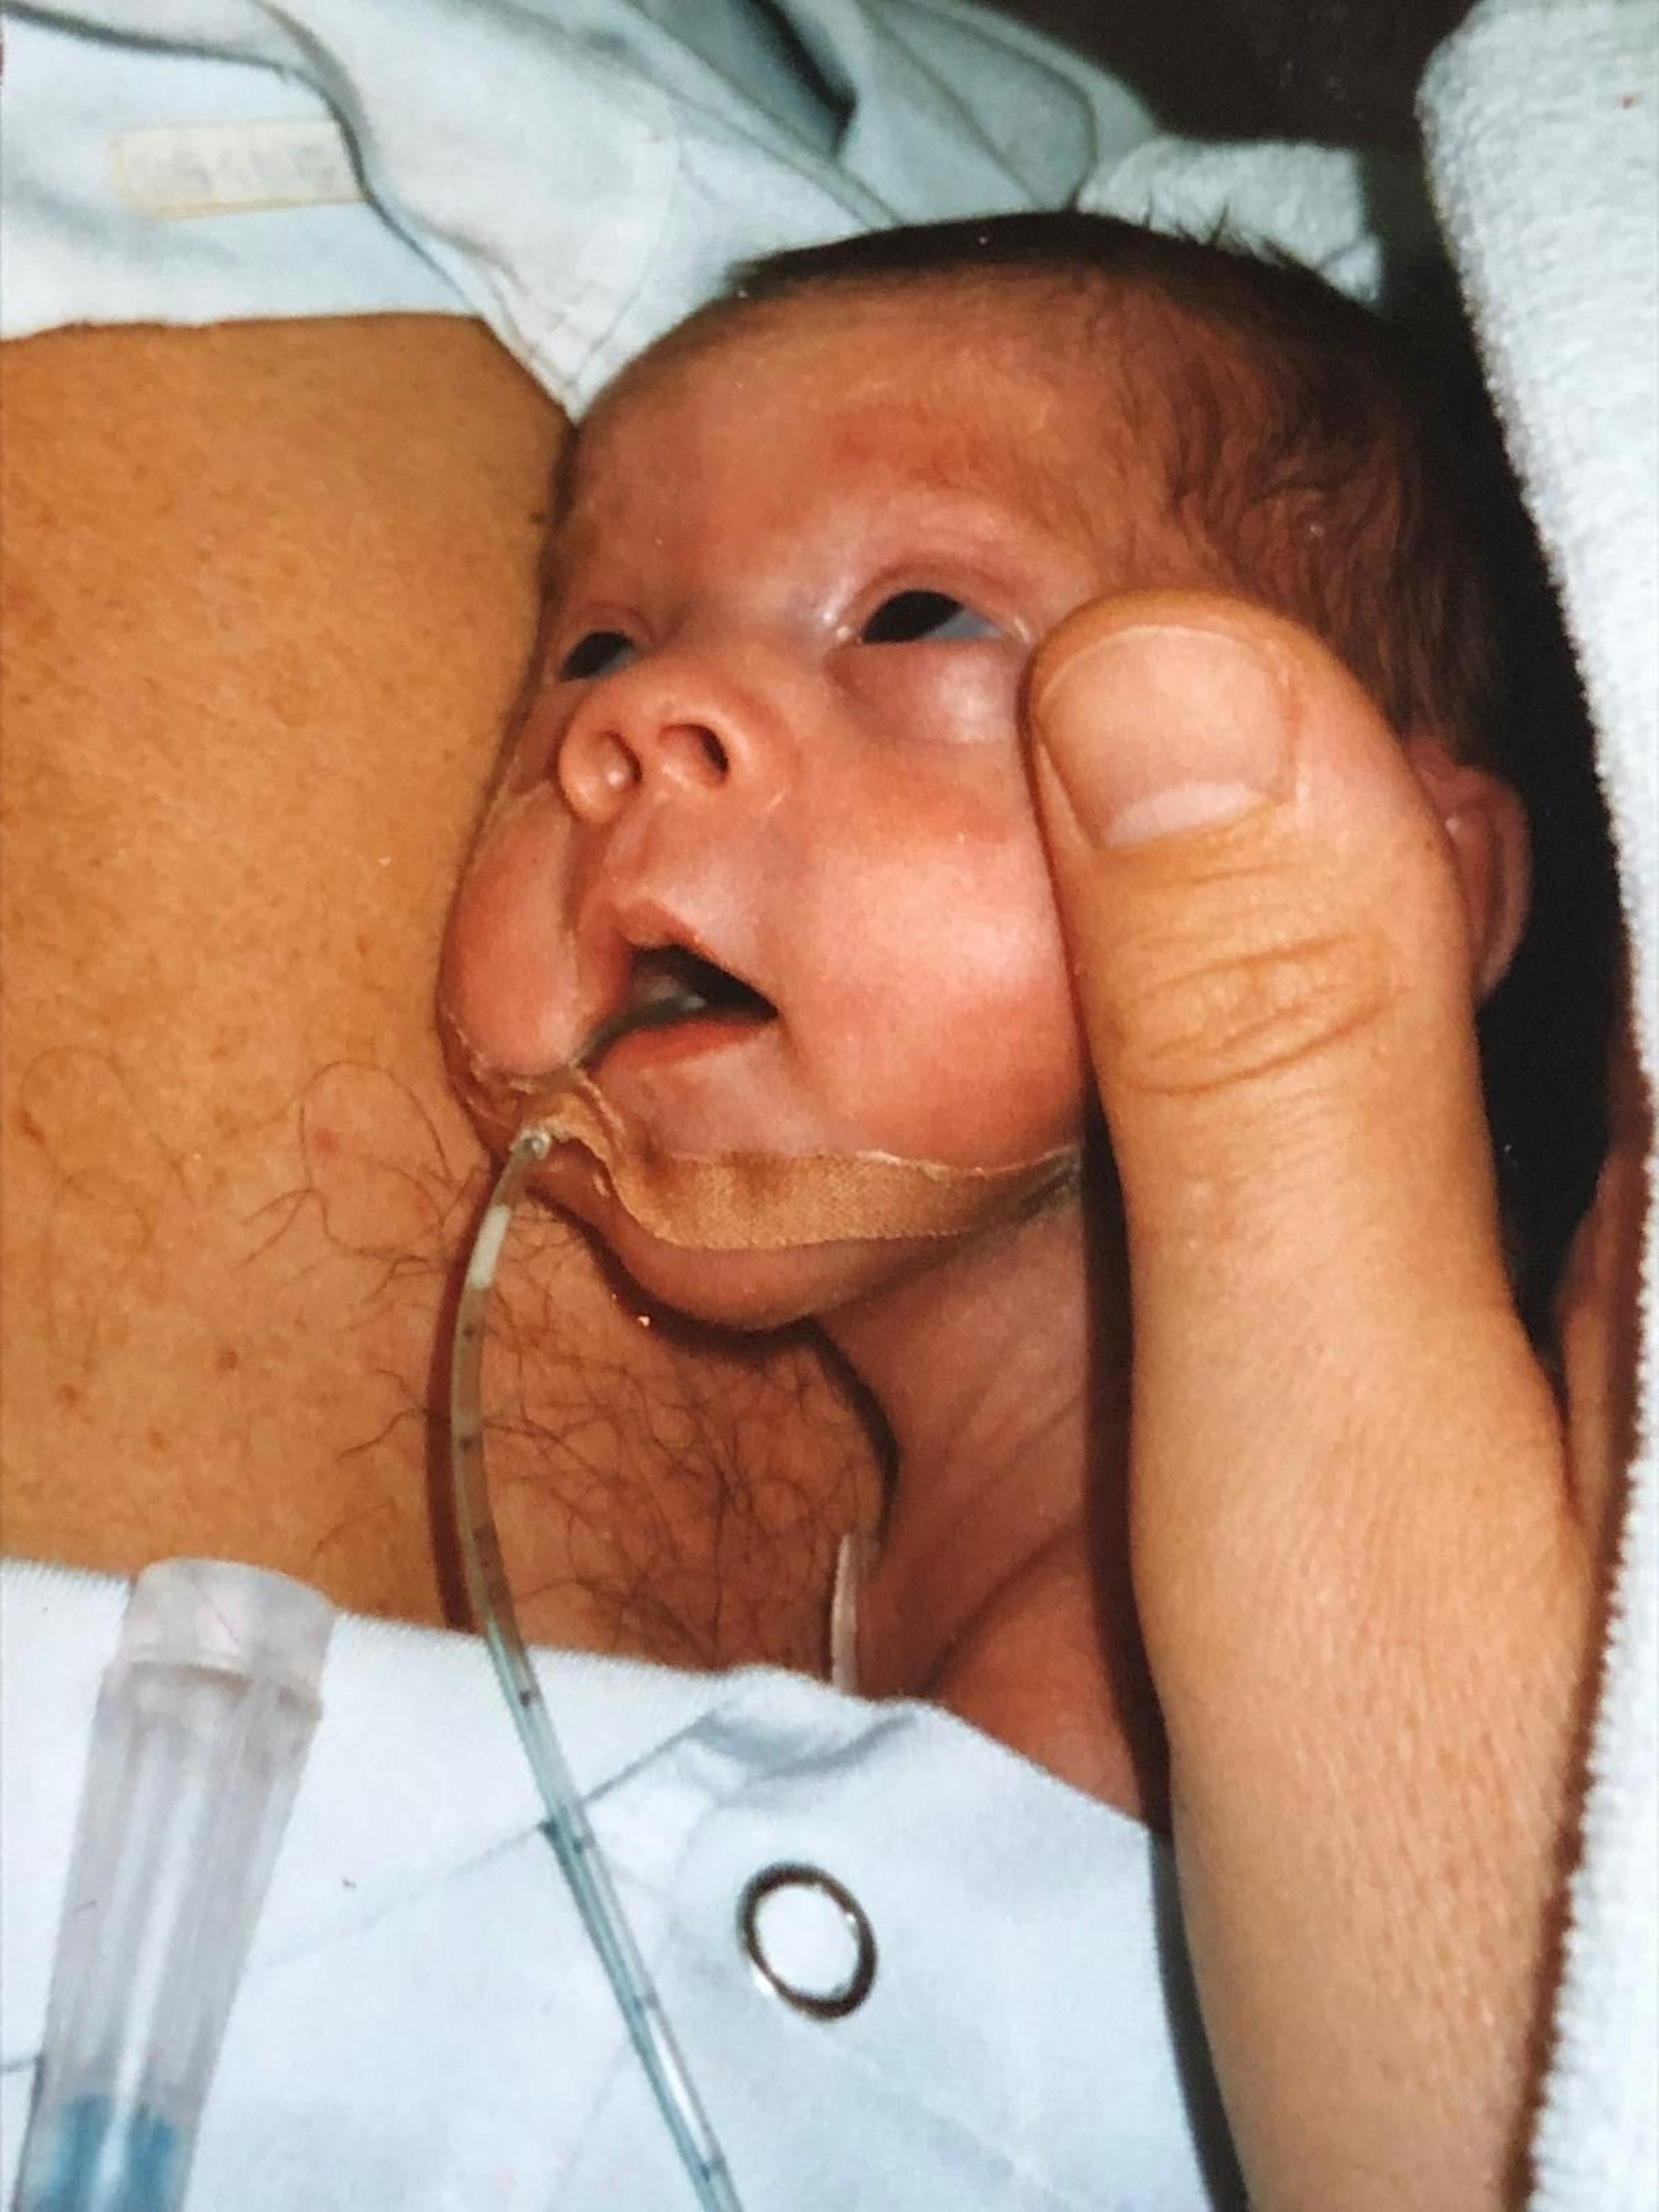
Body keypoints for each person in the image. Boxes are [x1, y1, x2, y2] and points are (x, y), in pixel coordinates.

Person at [3, 4, 1649, 2208]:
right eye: (593, 651)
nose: (640, 725)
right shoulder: (935, 1584)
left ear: (1400, 877)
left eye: (917, 612)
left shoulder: (1278, 1625)